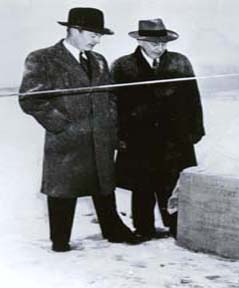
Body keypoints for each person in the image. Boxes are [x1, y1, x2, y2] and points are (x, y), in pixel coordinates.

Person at [19, 7, 139, 252]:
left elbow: (110, 97)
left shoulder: (99, 60)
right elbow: (30, 99)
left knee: (104, 185)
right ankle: (60, 240)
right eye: (93, 34)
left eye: (100, 36)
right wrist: (62, 125)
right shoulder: (42, 58)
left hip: (100, 137)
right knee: (63, 189)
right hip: (67, 140)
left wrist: (110, 126)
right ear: (74, 30)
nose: (98, 40)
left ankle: (112, 229)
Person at [111, 18, 205, 241]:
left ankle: (175, 226)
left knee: (173, 184)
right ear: (141, 40)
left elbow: (193, 97)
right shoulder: (123, 66)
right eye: (154, 43)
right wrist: (118, 136)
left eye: (163, 43)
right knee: (141, 184)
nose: (159, 47)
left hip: (175, 137)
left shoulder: (180, 63)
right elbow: (113, 105)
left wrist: (196, 129)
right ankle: (143, 228)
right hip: (138, 139)